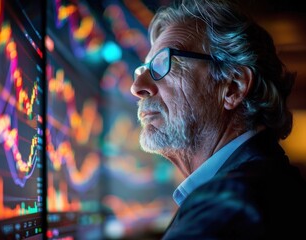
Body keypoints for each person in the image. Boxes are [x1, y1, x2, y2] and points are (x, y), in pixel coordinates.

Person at [130, 0, 306, 239]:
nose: (137, 87)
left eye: (163, 64)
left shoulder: (231, 203)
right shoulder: (264, 183)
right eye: (143, 70)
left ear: (233, 86)